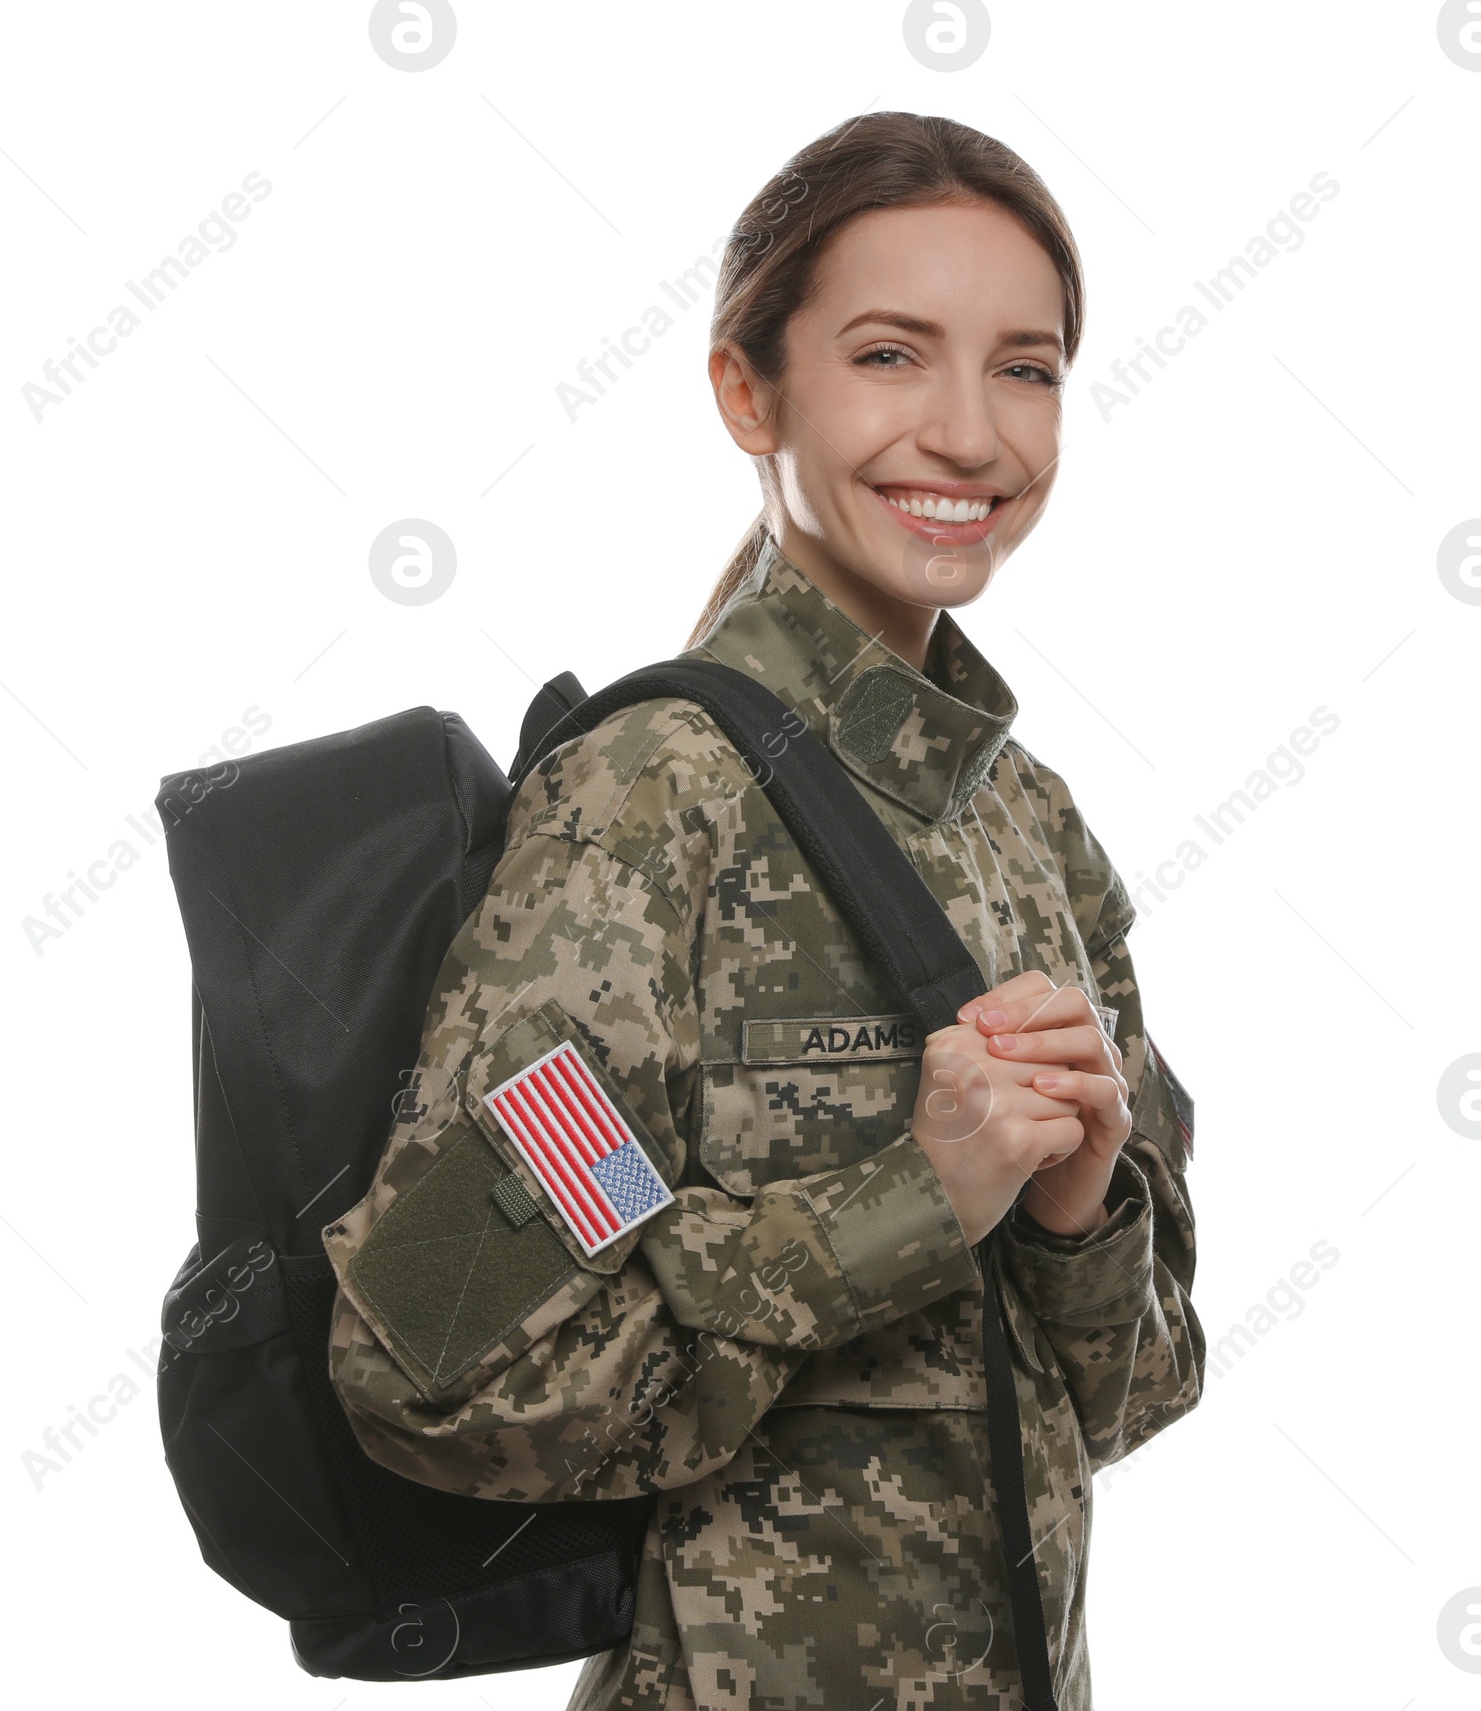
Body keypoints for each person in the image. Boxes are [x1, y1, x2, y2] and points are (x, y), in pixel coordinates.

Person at [323, 110, 1204, 1710]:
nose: (970, 436)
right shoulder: (654, 801)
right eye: (888, 354)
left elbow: (1139, 1386)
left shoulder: (1030, 824)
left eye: (1026, 367)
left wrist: (1078, 1214)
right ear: (750, 389)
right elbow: (432, 1360)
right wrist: (913, 1198)